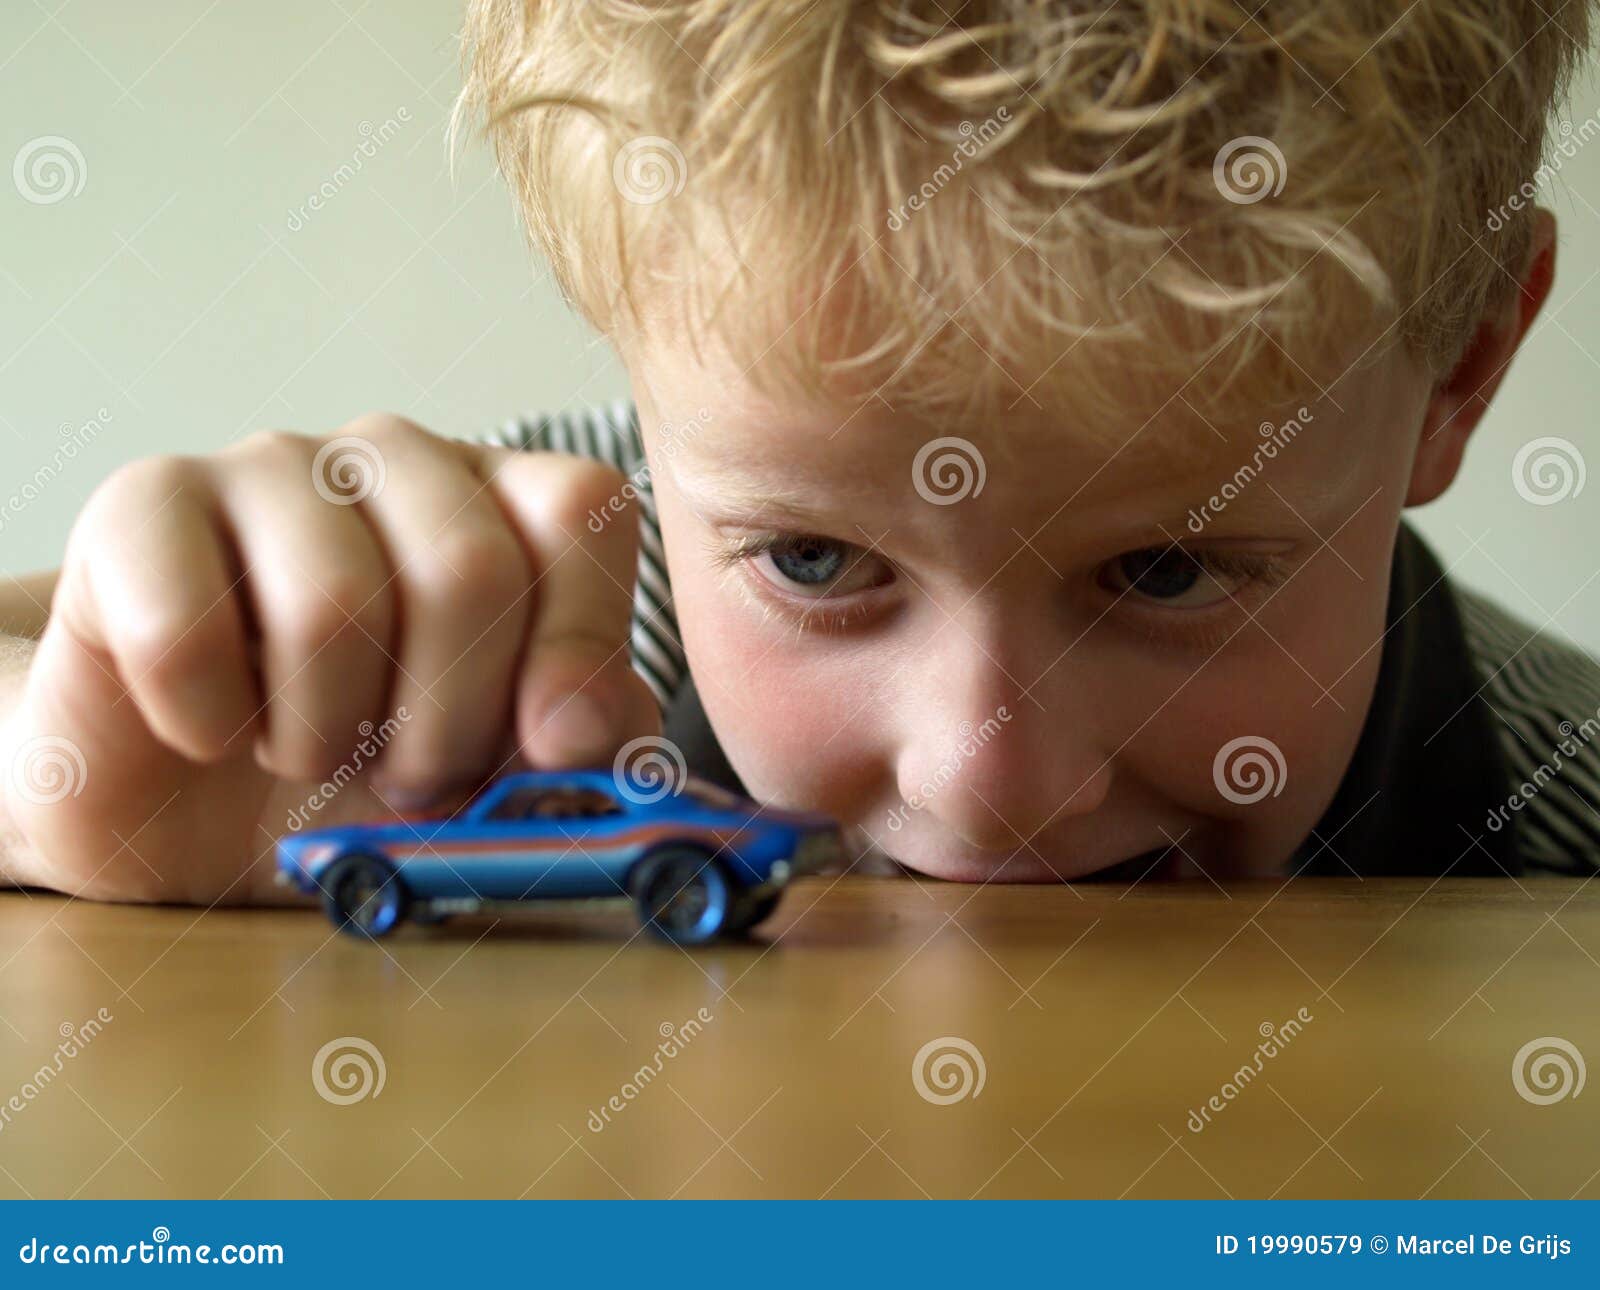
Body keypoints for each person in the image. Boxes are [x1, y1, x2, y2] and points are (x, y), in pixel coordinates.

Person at [3, 0, 1598, 905]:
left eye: (1167, 569)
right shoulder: (519, 613)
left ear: (1457, 373)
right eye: (816, 562)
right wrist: (68, 790)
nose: (985, 787)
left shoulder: (1561, 820)